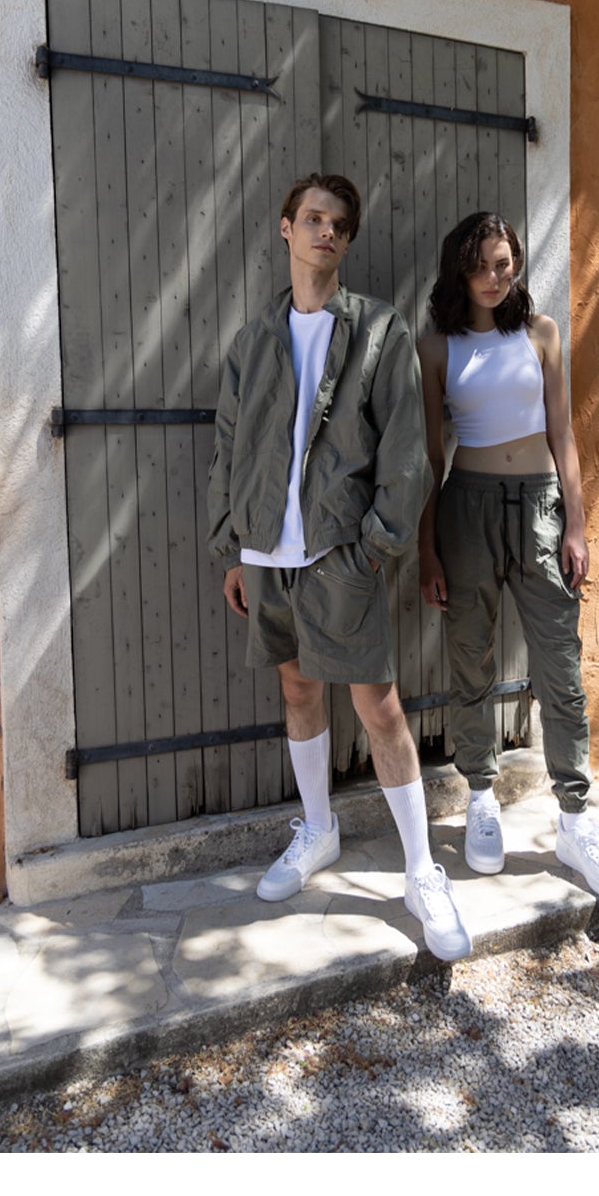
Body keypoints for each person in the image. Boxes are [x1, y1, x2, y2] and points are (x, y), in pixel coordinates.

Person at [205, 173, 472, 961]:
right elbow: (227, 449)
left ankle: (421, 872)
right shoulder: (253, 343)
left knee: (381, 707)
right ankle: (318, 830)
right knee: (296, 686)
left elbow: (407, 454)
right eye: (312, 218)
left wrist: (377, 548)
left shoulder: (379, 332)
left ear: (347, 242)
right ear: (284, 229)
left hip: (340, 557)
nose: (325, 232)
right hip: (266, 555)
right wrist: (232, 546)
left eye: (338, 224)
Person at [415, 211, 599, 902]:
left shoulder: (541, 333)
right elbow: (429, 453)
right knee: (471, 659)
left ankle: (574, 818)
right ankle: (481, 796)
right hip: (467, 506)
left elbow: (564, 431)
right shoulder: (437, 345)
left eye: (503, 262)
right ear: (460, 269)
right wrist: (426, 547)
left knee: (559, 668)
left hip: (540, 504)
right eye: (479, 264)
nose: (492, 276)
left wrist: (577, 521)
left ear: (516, 265)